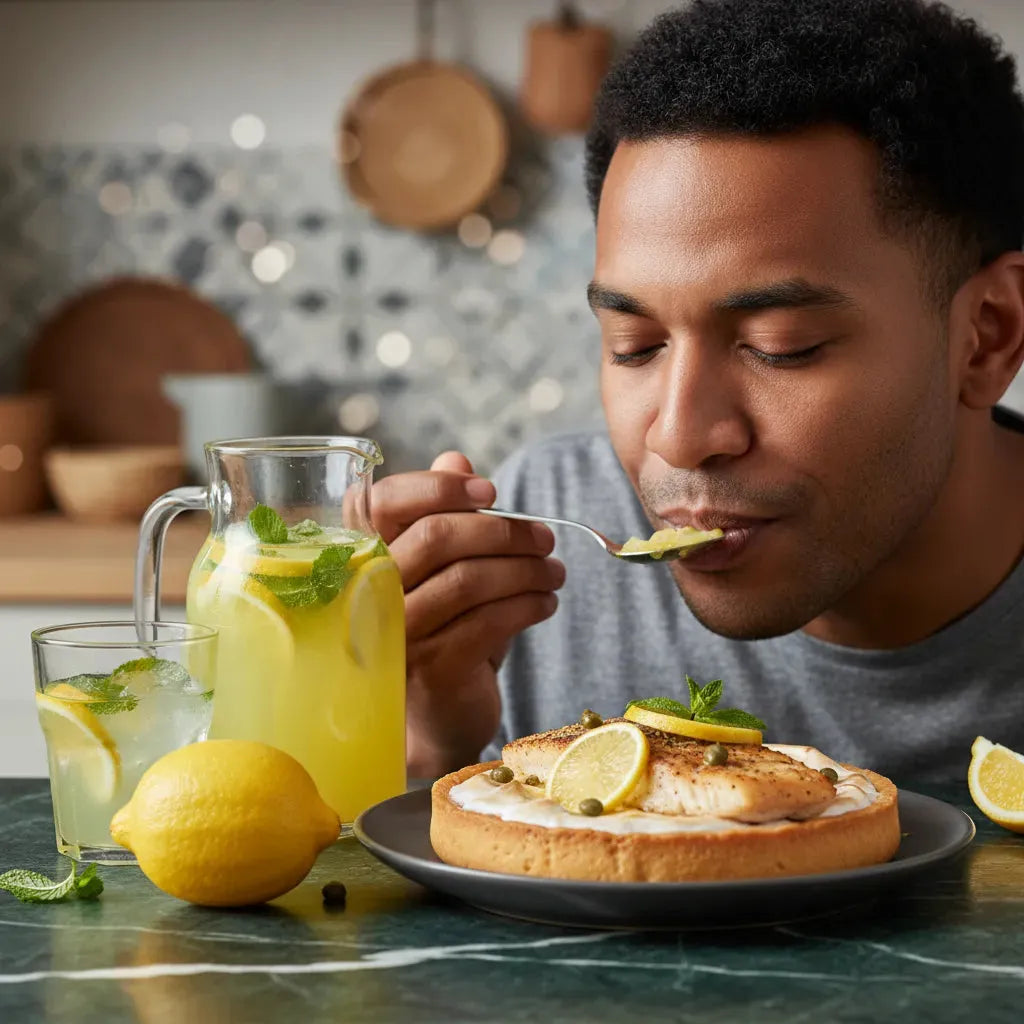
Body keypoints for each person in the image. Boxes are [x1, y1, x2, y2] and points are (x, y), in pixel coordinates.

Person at [373, 0, 1024, 783]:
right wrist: (430, 747)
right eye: (634, 346)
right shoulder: (532, 547)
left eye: (781, 348)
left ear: (988, 335)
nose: (678, 436)